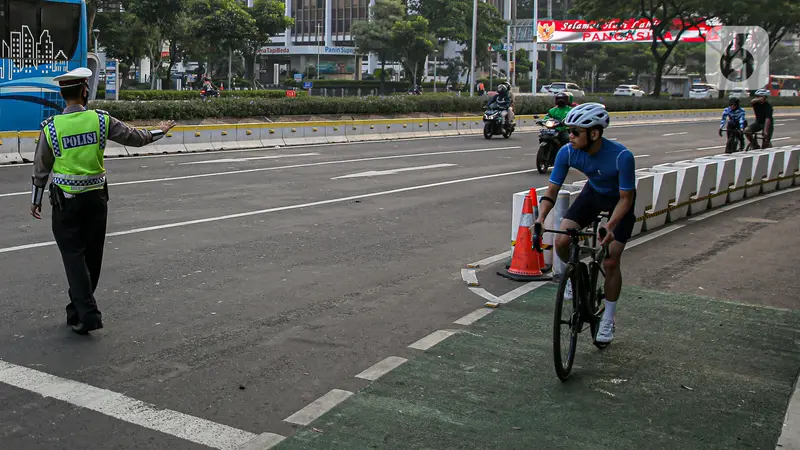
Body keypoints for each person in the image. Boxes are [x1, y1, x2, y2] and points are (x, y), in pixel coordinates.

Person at [29, 67, 176, 335]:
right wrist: (160, 131)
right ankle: (77, 310)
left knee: (73, 257)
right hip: (96, 200)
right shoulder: (100, 120)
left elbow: (41, 167)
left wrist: (36, 199)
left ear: (63, 95)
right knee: (92, 256)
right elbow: (135, 137)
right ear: (85, 91)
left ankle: (88, 314)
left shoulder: (51, 128)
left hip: (65, 203)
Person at [532, 102, 636, 344]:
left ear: (594, 133)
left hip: (619, 203)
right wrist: (540, 218)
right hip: (592, 194)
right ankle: (575, 277)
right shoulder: (567, 152)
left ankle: (608, 319)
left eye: (575, 132)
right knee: (561, 241)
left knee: (610, 260)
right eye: (569, 131)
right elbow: (552, 190)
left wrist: (610, 227)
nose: (570, 136)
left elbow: (626, 199)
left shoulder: (622, 156)